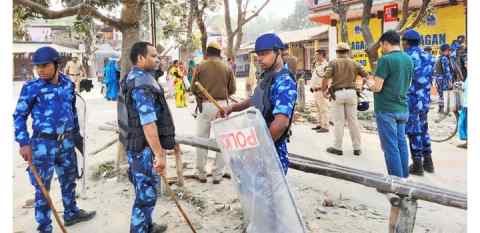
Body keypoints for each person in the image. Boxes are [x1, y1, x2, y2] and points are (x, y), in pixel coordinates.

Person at [13, 46, 96, 233]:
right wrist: (24, 143)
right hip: (43, 145)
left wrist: (76, 136)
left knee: (69, 180)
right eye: (37, 66)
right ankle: (44, 227)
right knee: (43, 189)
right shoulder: (31, 88)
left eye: (45, 65)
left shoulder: (68, 84)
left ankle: (71, 213)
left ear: (56, 65)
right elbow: (19, 116)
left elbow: (72, 110)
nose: (40, 70)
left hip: (66, 142)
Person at [217, 33, 297, 175]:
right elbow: (256, 99)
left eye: (265, 54)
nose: (260, 59)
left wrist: (257, 151)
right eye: (258, 54)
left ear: (278, 52)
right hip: (256, 144)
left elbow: (280, 123)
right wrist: (232, 108)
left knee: (269, 196)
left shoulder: (284, 81)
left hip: (271, 152)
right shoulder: (268, 76)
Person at [119, 41, 172, 233]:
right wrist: (159, 154)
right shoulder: (142, 84)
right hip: (143, 149)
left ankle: (147, 225)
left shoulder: (136, 77)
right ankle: (139, 229)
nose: (158, 59)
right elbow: (148, 123)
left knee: (147, 192)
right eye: (153, 56)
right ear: (140, 58)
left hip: (139, 146)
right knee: (145, 195)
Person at [366, 30, 413, 178]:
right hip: (402, 108)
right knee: (401, 145)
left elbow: (377, 87)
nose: (381, 49)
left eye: (381, 46)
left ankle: (396, 184)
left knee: (390, 147)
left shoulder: (385, 60)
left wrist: (368, 83)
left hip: (386, 109)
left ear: (386, 43)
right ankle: (404, 179)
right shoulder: (408, 59)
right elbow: (408, 83)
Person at [191, 41, 236, 184]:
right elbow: (233, 89)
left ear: (207, 53)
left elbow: (193, 88)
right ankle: (217, 174)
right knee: (222, 140)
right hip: (222, 106)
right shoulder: (227, 67)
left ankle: (201, 173)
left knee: (201, 139)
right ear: (219, 53)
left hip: (205, 106)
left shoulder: (200, 66)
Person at [321, 42, 367, 156]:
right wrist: (361, 88)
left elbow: (326, 78)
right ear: (348, 52)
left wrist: (324, 91)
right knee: (353, 122)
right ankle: (357, 148)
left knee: (338, 122)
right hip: (352, 93)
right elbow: (366, 75)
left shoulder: (333, 62)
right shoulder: (355, 63)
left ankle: (337, 147)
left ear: (337, 52)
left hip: (338, 94)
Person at [401, 29, 436, 176]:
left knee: (413, 132)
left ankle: (417, 165)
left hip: (412, 100)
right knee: (423, 129)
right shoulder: (430, 57)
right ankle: (428, 162)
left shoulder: (406, 57)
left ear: (406, 43)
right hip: (425, 99)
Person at [435, 44, 463, 113]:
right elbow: (446, 71)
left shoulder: (440, 57)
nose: (450, 52)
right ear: (446, 51)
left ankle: (441, 108)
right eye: (449, 50)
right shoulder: (444, 58)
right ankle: (444, 109)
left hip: (439, 79)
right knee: (445, 94)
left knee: (441, 94)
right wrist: (450, 81)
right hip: (443, 79)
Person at [310, 49, 330, 133]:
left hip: (321, 90)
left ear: (322, 55)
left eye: (318, 54)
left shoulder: (326, 65)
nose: (316, 56)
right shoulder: (317, 65)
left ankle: (325, 126)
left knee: (323, 109)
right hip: (315, 90)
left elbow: (328, 78)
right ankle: (320, 124)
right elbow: (316, 77)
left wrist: (326, 90)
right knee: (318, 108)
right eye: (316, 54)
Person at [457, 56, 468, 149]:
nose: (465, 65)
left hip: (467, 104)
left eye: (466, 63)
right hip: (466, 103)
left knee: (464, 123)